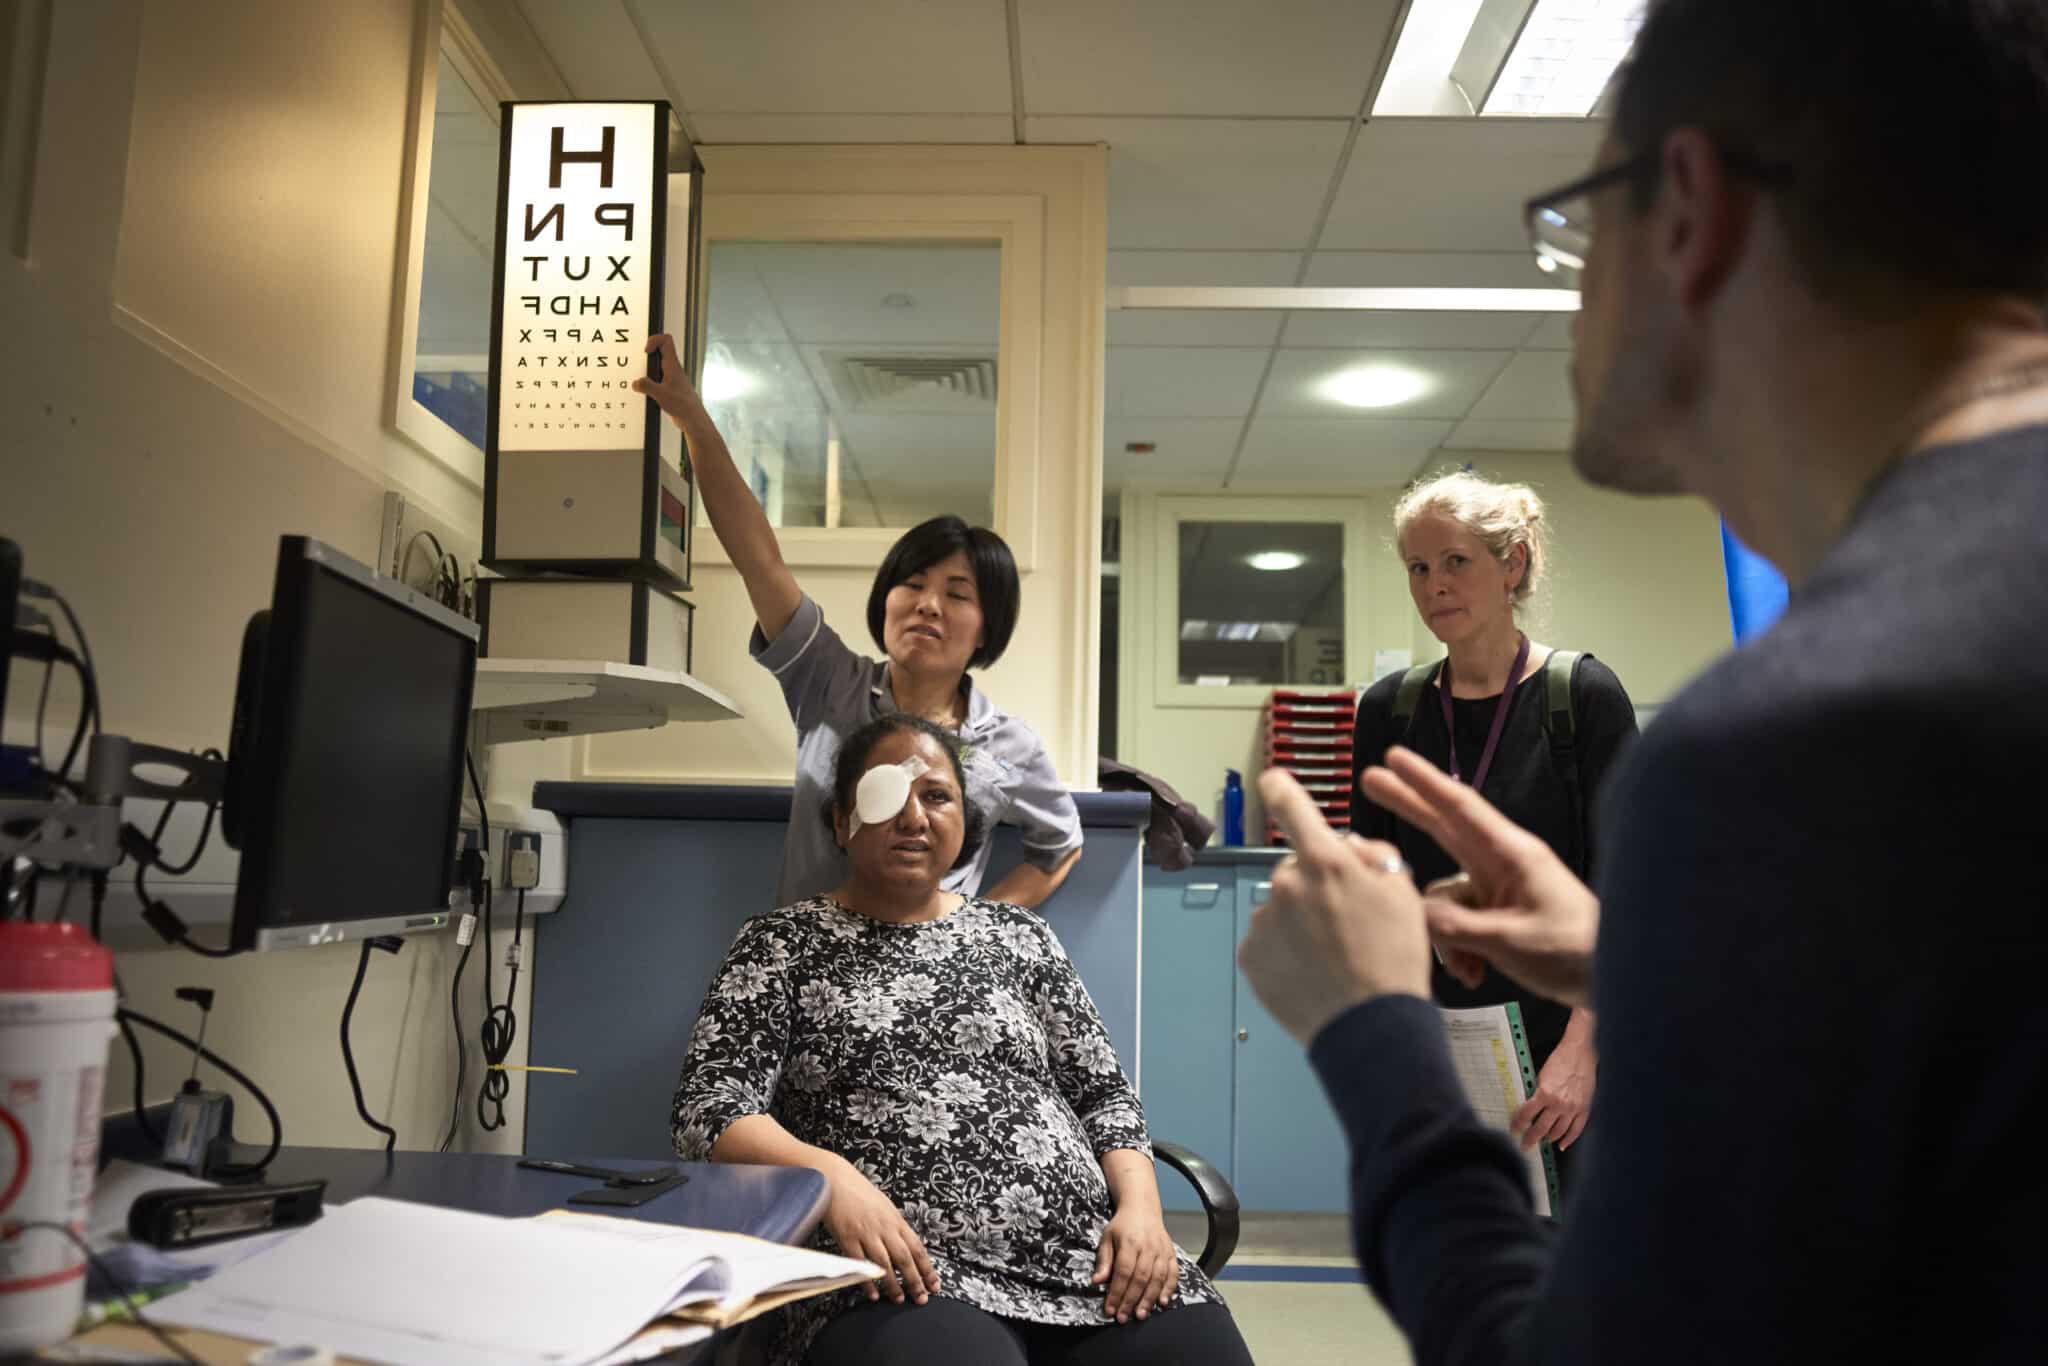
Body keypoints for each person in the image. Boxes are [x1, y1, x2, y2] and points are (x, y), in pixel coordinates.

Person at [1236, 0, 2048, 1360]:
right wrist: (1636, 952)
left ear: (1688, 211)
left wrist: (1373, 1031)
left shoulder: (1808, 737)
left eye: (1574, 221)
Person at [671, 714, 1252, 1366]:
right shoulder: (782, 943)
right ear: (841, 821)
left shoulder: (1020, 936)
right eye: (888, 793)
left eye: (938, 796)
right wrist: (832, 1180)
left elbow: (1104, 1096)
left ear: (965, 823)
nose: (914, 817)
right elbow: (709, 1113)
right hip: (899, 1260)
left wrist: (1142, 1209)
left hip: (1081, 1248)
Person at [633, 337, 1082, 908]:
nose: (928, 605)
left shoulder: (1007, 745)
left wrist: (977, 932)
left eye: (957, 593)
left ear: (988, 628)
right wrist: (692, 417)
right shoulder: (828, 682)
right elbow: (758, 558)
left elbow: (1061, 845)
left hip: (936, 984)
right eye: (913, 584)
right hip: (811, 965)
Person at [1352, 471, 1636, 1186]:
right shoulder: (1389, 712)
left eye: (1456, 562)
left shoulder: (1582, 700)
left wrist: (1583, 1053)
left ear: (1511, 565)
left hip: (1565, 1052)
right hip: (1438, 1050)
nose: (1433, 586)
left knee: (1568, 1276)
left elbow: (1627, 897)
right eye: (1418, 568)